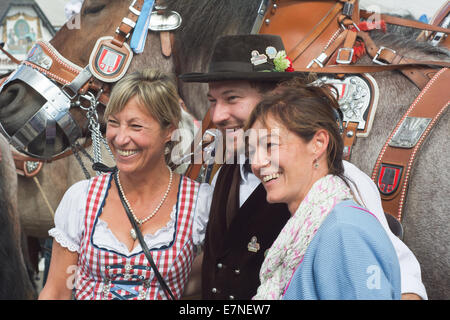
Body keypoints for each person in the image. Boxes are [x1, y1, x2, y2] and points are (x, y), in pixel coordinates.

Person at [180, 34, 426, 300]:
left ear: (275, 97)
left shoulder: (343, 186)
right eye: (212, 101)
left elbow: (402, 281)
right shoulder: (224, 176)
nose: (216, 116)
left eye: (231, 98)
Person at [39, 69, 212, 300]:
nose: (120, 139)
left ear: (169, 130)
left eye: (135, 126)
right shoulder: (81, 198)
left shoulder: (199, 202)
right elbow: (56, 291)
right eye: (113, 123)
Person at [247, 82, 400, 299]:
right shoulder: (315, 225)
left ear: (318, 143)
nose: (256, 162)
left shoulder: (344, 231)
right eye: (252, 150)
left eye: (270, 145)